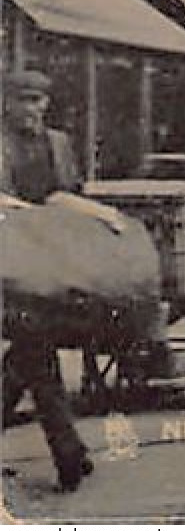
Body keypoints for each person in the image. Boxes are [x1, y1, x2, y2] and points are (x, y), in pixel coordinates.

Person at [0, 68, 96, 492]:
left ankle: (71, 452)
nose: (33, 109)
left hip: (53, 260)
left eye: (39, 100)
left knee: (25, 359)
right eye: (25, 99)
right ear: (7, 103)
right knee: (37, 357)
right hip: (11, 259)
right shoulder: (0, 145)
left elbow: (68, 192)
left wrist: (98, 218)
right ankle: (68, 455)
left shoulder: (57, 143)